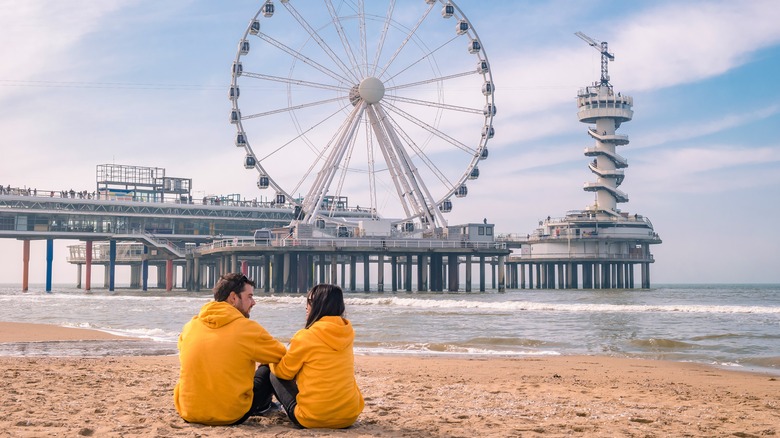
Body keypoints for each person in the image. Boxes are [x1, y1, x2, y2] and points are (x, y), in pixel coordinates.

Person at [174, 273, 286, 426]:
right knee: (268, 366)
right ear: (233, 298)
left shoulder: (190, 326)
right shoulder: (247, 329)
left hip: (189, 412)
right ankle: (264, 406)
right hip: (231, 414)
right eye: (249, 297)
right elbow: (282, 355)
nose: (253, 302)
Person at [263, 284, 364, 429]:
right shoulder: (347, 332)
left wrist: (270, 362)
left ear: (321, 306)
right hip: (349, 416)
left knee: (274, 374)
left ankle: (263, 406)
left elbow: (283, 373)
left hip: (313, 418)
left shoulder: (306, 336)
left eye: (310, 302)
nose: (306, 306)